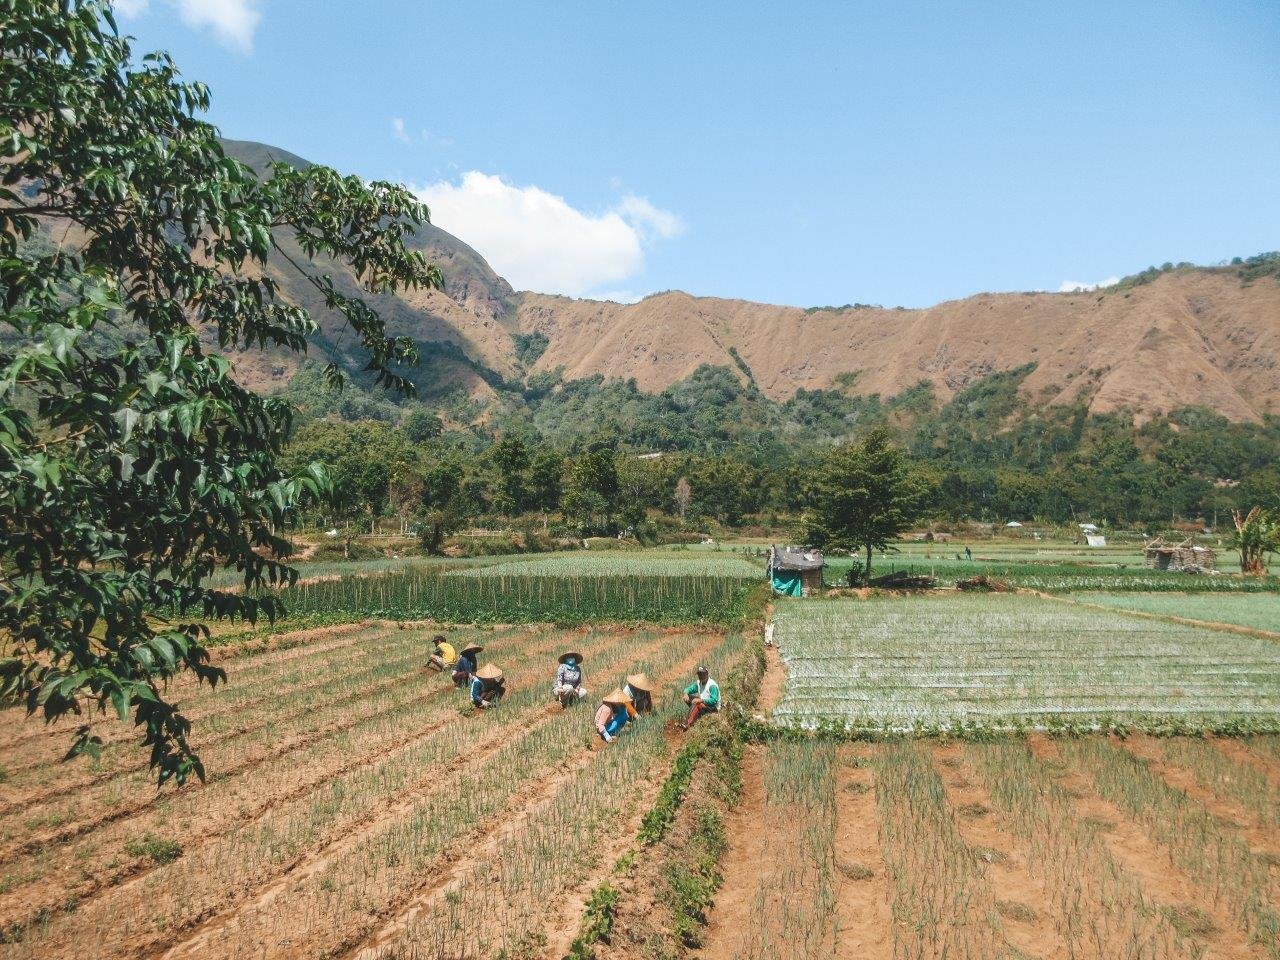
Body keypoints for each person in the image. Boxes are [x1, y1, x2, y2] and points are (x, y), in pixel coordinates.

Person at [681, 665, 720, 730]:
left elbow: (714, 700)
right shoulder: (699, 683)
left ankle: (687, 724)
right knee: (688, 698)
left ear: (707, 674)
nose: (701, 676)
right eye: (699, 674)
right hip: (704, 705)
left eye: (702, 674)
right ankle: (695, 715)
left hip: (713, 708)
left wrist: (701, 700)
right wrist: (685, 693)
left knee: (697, 703)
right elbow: (689, 689)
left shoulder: (712, 685)